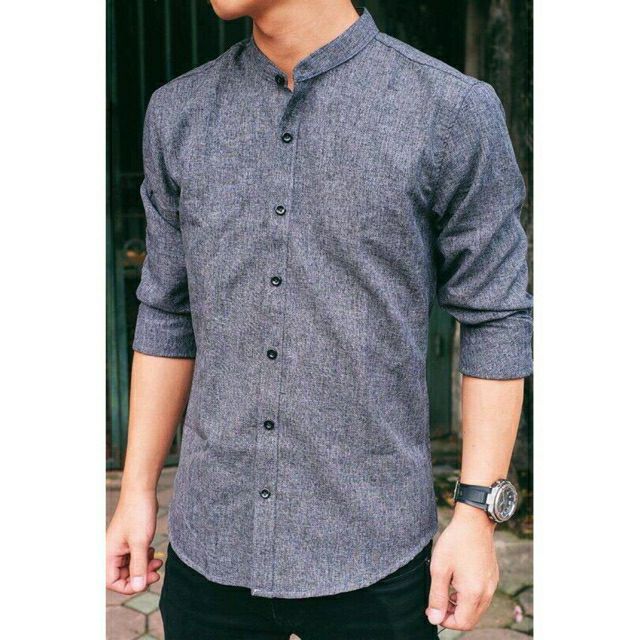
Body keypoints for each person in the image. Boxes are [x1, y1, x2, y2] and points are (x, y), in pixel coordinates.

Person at [106, 1, 533, 638]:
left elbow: (496, 317)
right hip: (211, 541)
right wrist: (137, 490)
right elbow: (168, 310)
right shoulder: (179, 113)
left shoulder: (449, 110)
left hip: (376, 552)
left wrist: (475, 516)